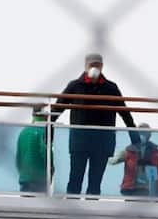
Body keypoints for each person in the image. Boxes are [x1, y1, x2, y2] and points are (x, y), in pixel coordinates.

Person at [52, 53, 137, 196]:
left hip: (102, 143)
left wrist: (135, 137)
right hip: (80, 141)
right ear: (85, 66)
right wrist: (47, 127)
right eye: (92, 65)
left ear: (102, 66)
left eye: (97, 65)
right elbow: (57, 109)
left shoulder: (111, 88)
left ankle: (91, 210)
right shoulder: (75, 86)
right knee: (75, 178)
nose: (94, 68)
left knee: (95, 181)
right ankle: (71, 211)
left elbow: (125, 113)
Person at [110, 124, 158, 197]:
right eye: (141, 133)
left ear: (149, 135)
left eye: (145, 133)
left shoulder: (156, 152)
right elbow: (112, 161)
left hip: (150, 190)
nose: (143, 135)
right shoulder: (128, 151)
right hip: (131, 189)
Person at [15, 106, 51, 194]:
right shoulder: (45, 131)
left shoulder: (23, 132)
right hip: (40, 179)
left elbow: (18, 158)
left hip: (25, 180)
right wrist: (52, 168)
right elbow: (46, 153)